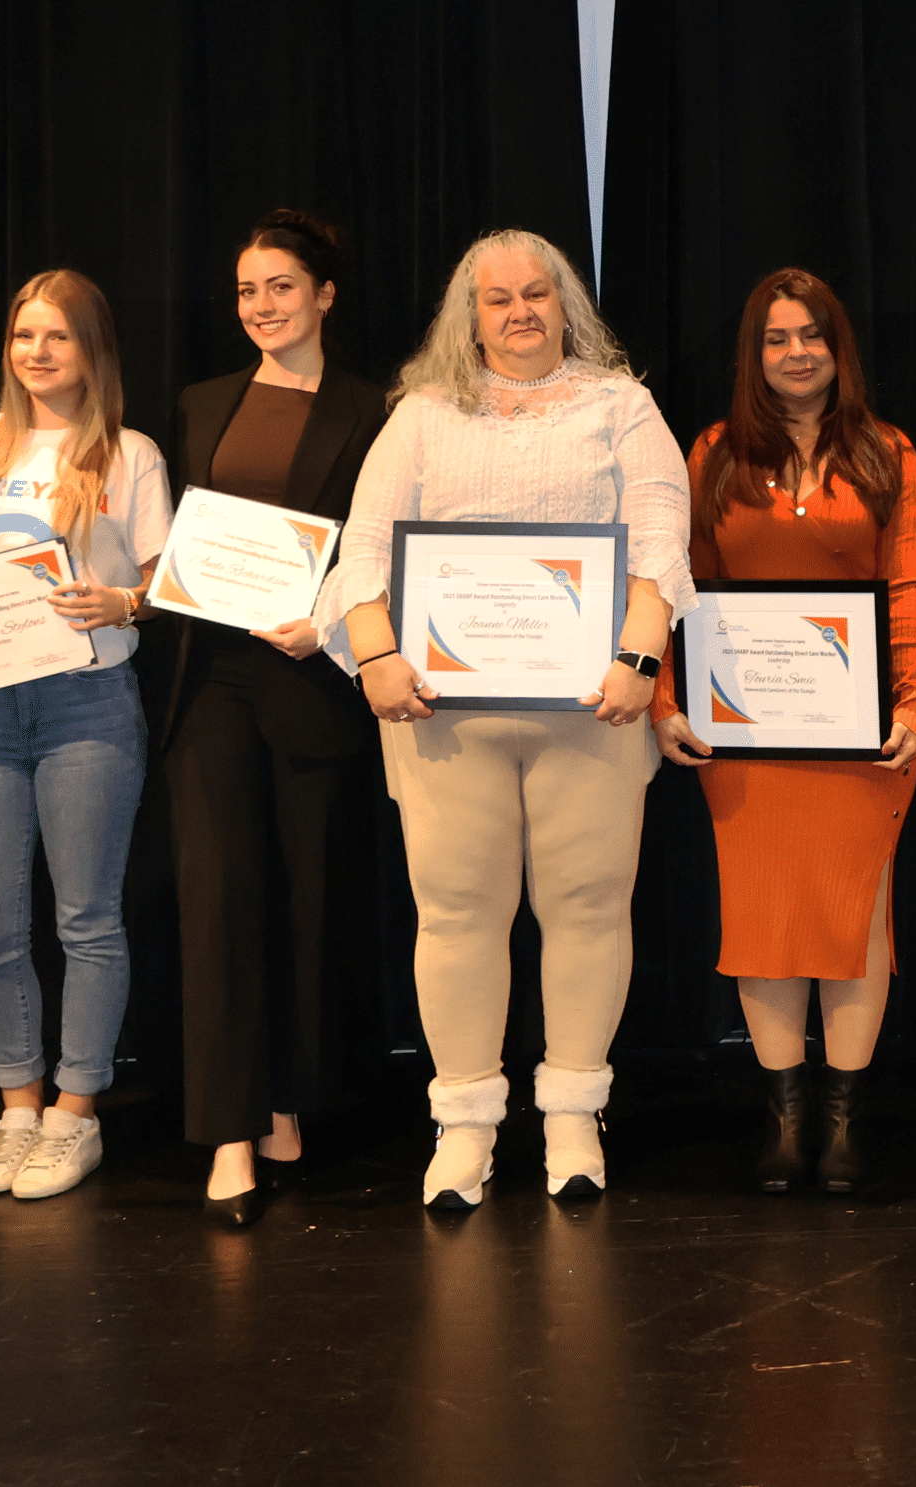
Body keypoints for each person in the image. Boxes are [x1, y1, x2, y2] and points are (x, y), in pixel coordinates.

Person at [321, 229, 687, 1208]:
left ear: (566, 302)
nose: (521, 310)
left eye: (538, 292)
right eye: (498, 298)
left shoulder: (623, 406)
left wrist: (638, 659)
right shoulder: (424, 414)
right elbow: (361, 552)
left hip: (593, 707)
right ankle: (466, 1123)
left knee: (588, 907)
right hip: (444, 712)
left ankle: (573, 1113)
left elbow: (661, 541)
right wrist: (377, 653)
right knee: (456, 911)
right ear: (467, 314)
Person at [652, 269, 916, 1194]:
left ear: (838, 347)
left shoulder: (890, 452)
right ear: (753, 353)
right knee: (764, 923)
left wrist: (913, 703)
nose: (796, 352)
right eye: (776, 338)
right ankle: (784, 1116)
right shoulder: (714, 454)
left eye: (812, 335)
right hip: (749, 738)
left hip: (858, 741)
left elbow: (908, 588)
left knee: (856, 925)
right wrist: (664, 704)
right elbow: (676, 588)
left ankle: (844, 1121)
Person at [159, 210, 390, 1223]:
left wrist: (329, 621)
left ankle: (291, 1099)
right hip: (210, 676)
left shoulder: (379, 408)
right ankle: (228, 1135)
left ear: (325, 294)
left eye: (282, 286)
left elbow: (384, 548)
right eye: (249, 289)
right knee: (218, 900)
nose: (262, 305)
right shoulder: (202, 402)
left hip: (314, 678)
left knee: (308, 902)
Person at [0, 271, 174, 1202]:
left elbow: (163, 584)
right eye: (25, 334)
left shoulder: (129, 453)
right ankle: (17, 1109)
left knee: (86, 919)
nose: (38, 352)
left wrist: (122, 601)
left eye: (59, 337)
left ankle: (76, 1114)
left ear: (93, 351)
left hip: (86, 703)